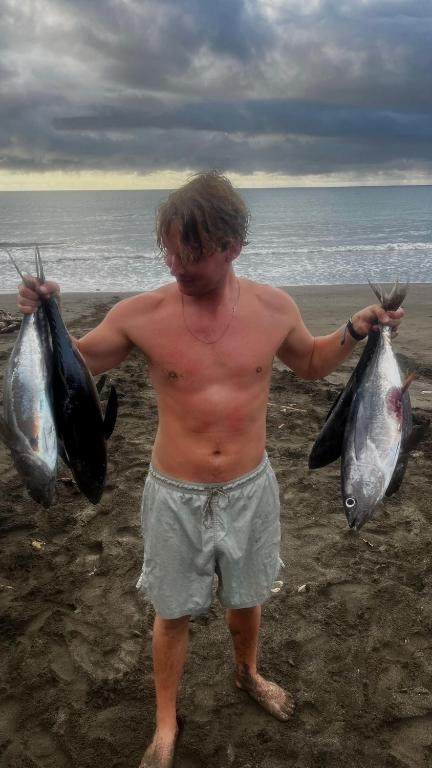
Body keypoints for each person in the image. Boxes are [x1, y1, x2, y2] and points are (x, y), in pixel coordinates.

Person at [18, 171, 404, 768]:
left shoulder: (274, 307)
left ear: (232, 245)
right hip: (174, 493)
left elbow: (309, 363)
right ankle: (165, 722)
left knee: (247, 598)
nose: (178, 265)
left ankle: (247, 673)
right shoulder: (141, 314)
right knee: (171, 612)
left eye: (192, 253)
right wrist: (45, 313)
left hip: (251, 488)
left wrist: (355, 328)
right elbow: (76, 363)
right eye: (170, 252)